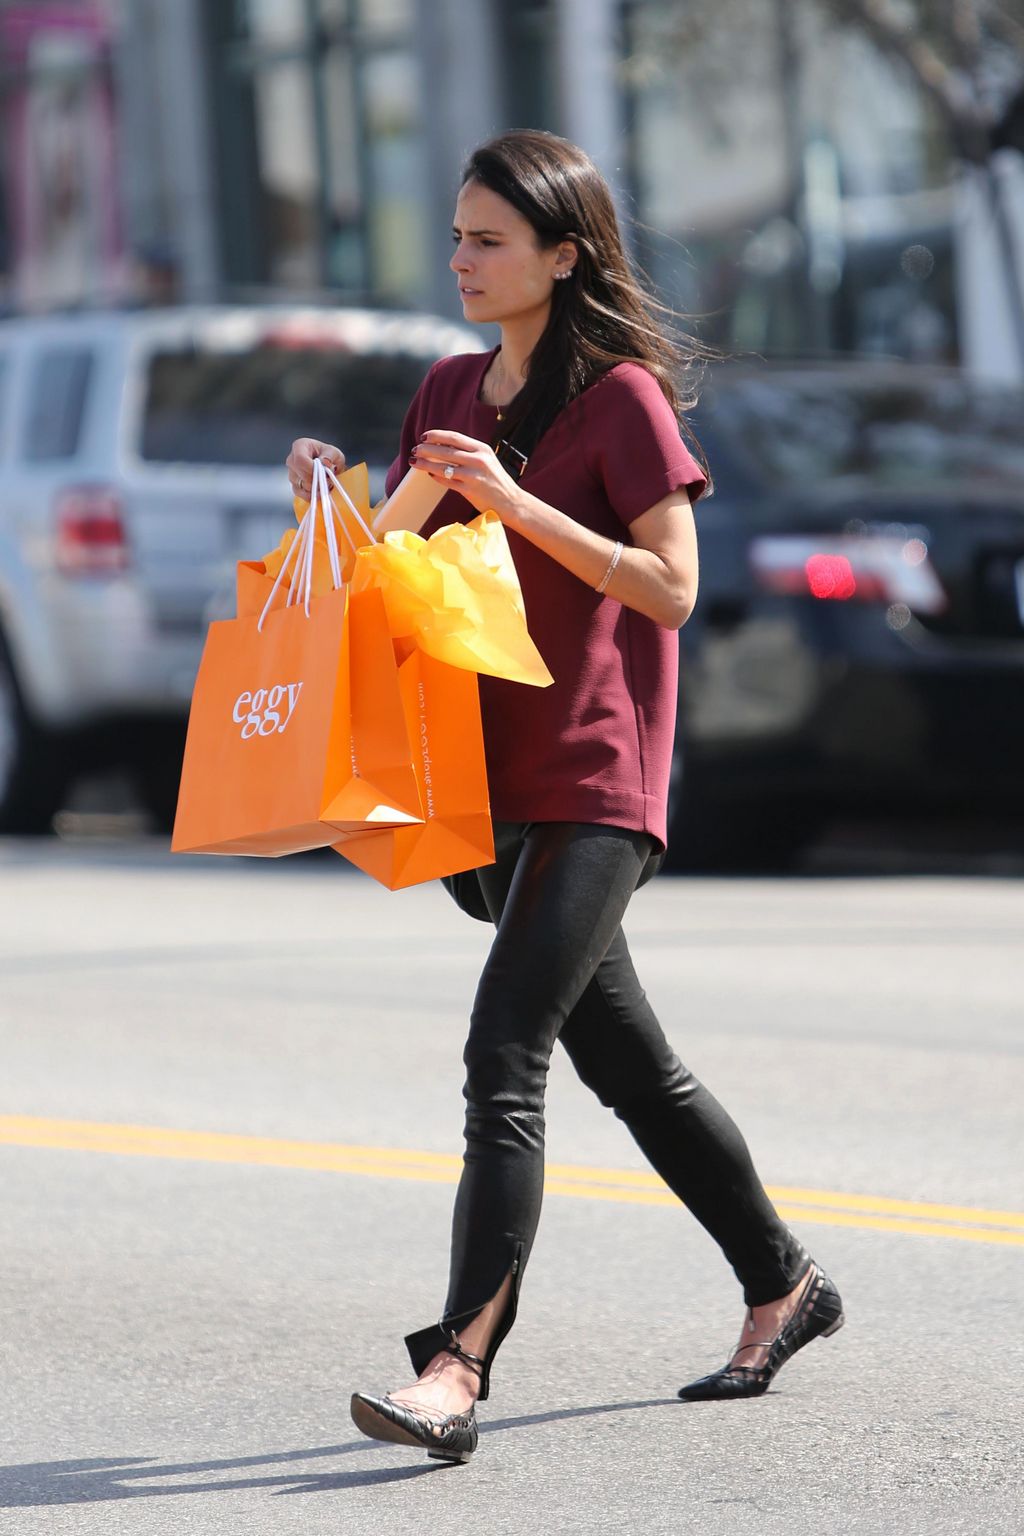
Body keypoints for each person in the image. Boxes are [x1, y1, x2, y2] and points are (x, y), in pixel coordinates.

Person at [286, 130, 843, 1465]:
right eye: (461, 236)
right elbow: (392, 574)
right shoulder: (446, 388)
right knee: (634, 1069)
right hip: (474, 781)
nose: (463, 260)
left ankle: (454, 1369)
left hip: (599, 775)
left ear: (562, 256)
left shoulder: (625, 401)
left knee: (504, 1056)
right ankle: (786, 1283)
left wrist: (525, 508)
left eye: (488, 240)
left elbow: (671, 587)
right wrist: (329, 502)